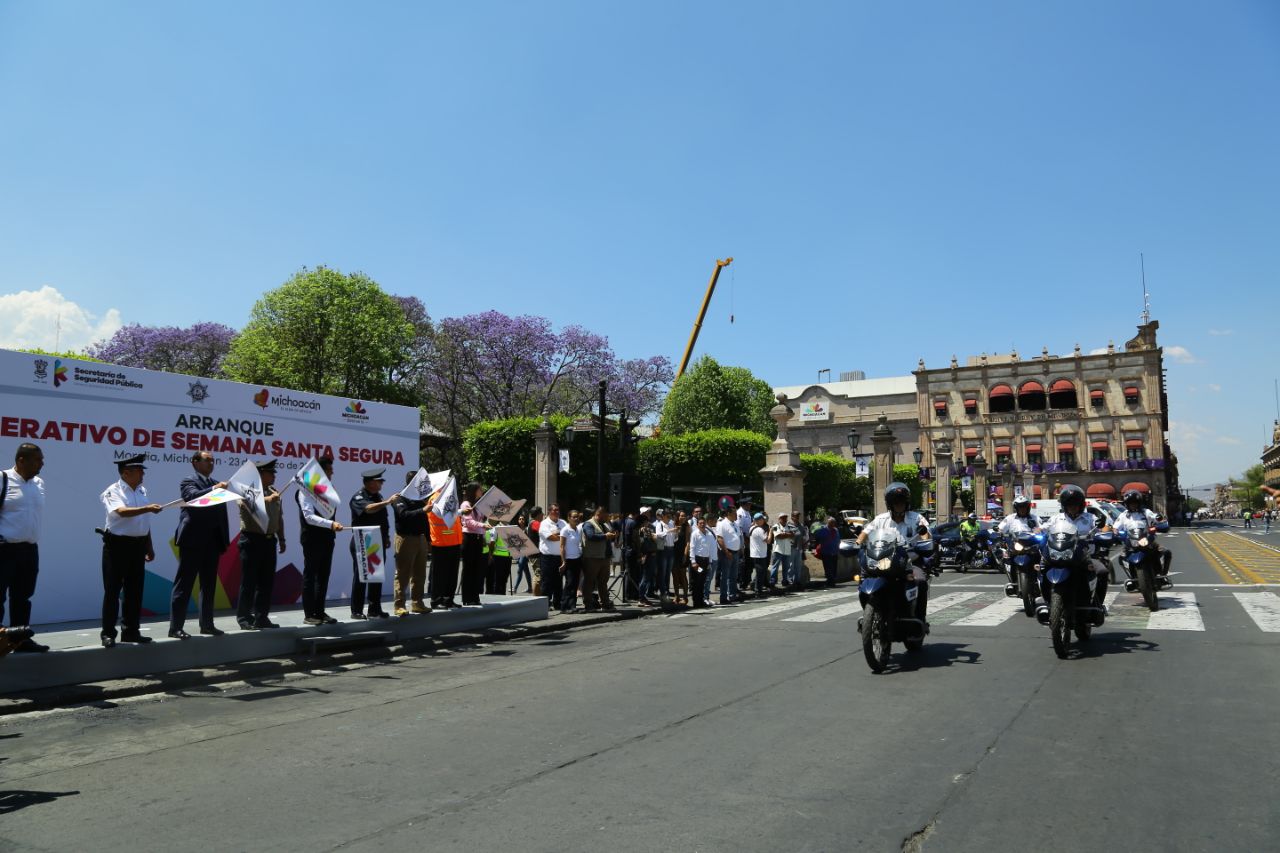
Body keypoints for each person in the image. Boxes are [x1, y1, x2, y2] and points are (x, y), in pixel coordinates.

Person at [100, 453, 165, 647]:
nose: (142, 475)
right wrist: (148, 509)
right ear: (126, 472)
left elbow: (144, 522)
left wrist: (149, 545)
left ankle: (131, 631)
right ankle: (108, 633)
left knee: (134, 592)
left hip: (138, 546)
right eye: (139, 471)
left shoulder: (142, 490)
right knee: (112, 591)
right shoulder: (113, 491)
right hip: (117, 546)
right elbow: (121, 512)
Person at [169, 450, 230, 639]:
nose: (211, 464)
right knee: (184, 584)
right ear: (195, 462)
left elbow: (221, 515)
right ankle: (176, 627)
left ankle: (207, 624)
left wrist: (223, 539)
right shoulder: (189, 481)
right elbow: (192, 498)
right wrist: (214, 489)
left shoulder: (216, 484)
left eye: (213, 461)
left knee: (209, 585)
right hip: (193, 540)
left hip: (212, 541)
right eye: (207, 460)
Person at [855, 482, 933, 623]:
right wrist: (857, 544)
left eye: (902, 502)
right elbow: (865, 533)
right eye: (896, 502)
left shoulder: (916, 518)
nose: (899, 505)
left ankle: (920, 618)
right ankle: (870, 611)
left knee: (920, 581)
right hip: (883, 561)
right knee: (863, 578)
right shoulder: (880, 519)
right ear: (890, 504)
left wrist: (925, 542)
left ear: (906, 503)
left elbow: (925, 534)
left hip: (910, 562)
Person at [1038, 484, 1112, 620]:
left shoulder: (1089, 518)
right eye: (1069, 504)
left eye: (1075, 504)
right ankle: (1047, 600)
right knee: (1042, 569)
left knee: (1102, 572)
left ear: (1081, 505)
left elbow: (1104, 528)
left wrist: (1105, 532)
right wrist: (1035, 533)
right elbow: (1042, 529)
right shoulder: (1056, 519)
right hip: (1060, 554)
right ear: (1064, 505)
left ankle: (1098, 606)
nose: (1072, 507)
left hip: (1084, 556)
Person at [0, 443, 47, 653]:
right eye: (37, 460)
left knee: (23, 597)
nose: (41, 463)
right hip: (4, 550)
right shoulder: (2, 479)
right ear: (21, 460)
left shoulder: (39, 483)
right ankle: (0, 642)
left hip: (29, 550)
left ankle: (20, 641)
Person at [236, 459, 286, 630]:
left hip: (269, 540)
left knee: (266, 582)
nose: (273, 476)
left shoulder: (274, 492)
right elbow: (247, 503)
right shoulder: (246, 489)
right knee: (249, 581)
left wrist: (282, 538)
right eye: (270, 473)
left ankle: (261, 617)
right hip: (251, 540)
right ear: (260, 474)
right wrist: (268, 499)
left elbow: (279, 518)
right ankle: (244, 618)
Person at [298, 454, 344, 625]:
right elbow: (309, 517)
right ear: (321, 472)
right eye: (329, 471)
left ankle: (320, 611)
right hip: (312, 538)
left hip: (327, 538)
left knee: (323, 576)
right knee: (311, 575)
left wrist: (330, 527)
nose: (332, 474)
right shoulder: (305, 490)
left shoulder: (328, 489)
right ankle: (309, 614)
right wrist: (330, 524)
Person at [348, 468, 398, 619]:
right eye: (378, 481)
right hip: (362, 541)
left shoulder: (378, 497)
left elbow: (383, 518)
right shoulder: (358, 497)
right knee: (361, 577)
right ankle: (356, 610)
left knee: (376, 576)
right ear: (370, 483)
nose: (381, 484)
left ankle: (374, 608)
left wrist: (387, 537)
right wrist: (388, 502)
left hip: (377, 541)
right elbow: (368, 509)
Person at [393, 470, 431, 616]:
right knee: (403, 574)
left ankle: (417, 603)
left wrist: (428, 539)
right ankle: (399, 606)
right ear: (412, 482)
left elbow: (424, 520)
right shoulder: (399, 497)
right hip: (405, 538)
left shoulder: (420, 498)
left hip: (420, 538)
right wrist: (422, 509)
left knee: (420, 574)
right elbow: (403, 515)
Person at [1112, 489, 1172, 577]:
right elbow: (1115, 527)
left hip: (1146, 540)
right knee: (1121, 557)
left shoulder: (1146, 512)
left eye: (1135, 502)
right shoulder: (1123, 515)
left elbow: (1157, 518)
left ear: (1139, 502)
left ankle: (1162, 573)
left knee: (1165, 552)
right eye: (1130, 503)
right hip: (1130, 541)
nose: (1133, 504)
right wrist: (1116, 533)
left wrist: (1161, 521)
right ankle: (1131, 576)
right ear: (1126, 504)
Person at [997, 494, 1041, 597]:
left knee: (1041, 560)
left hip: (1032, 546)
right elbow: (1001, 528)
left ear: (1028, 507)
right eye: (1020, 507)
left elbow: (1042, 528)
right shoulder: (1010, 518)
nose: (1022, 509)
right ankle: (1013, 584)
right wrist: (999, 532)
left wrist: (1041, 531)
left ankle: (1040, 582)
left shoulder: (1035, 518)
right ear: (1016, 508)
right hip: (1016, 545)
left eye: (1024, 506)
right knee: (1009, 561)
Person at [427, 487, 462, 610]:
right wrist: (461, 511)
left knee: (452, 574)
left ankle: (448, 600)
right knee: (440, 574)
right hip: (441, 542)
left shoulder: (449, 497)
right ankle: (436, 600)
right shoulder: (435, 498)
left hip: (454, 540)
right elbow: (440, 513)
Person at [579, 506, 616, 612]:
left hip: (604, 557)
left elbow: (607, 537)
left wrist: (611, 535)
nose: (607, 518)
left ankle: (605, 603)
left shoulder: (603, 524)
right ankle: (588, 604)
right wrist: (605, 536)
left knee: (603, 582)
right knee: (589, 582)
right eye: (606, 516)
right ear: (599, 514)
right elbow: (590, 536)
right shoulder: (588, 524)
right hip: (592, 558)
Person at [458, 482, 487, 606]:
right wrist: (482, 525)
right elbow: (469, 522)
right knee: (468, 568)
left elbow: (482, 520)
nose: (482, 491)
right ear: (474, 490)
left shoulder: (479, 505)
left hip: (478, 538)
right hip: (469, 538)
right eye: (480, 489)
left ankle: (475, 596)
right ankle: (467, 597)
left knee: (477, 568)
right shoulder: (466, 504)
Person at [537, 505, 566, 611]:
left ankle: (558, 603)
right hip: (547, 557)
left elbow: (567, 535)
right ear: (549, 511)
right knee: (547, 581)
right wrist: (562, 536)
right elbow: (551, 538)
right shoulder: (544, 524)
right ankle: (545, 604)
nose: (557, 511)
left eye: (558, 510)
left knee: (558, 582)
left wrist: (558, 535)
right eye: (554, 510)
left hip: (560, 557)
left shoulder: (563, 523)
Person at [687, 515, 718, 608]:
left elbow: (712, 548)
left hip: (706, 561)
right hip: (698, 561)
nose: (702, 524)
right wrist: (693, 562)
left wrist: (711, 560)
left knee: (702, 581)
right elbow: (692, 548)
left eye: (703, 523)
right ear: (697, 525)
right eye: (700, 523)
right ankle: (696, 602)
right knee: (696, 582)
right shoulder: (695, 534)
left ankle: (701, 601)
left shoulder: (709, 534)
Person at [714, 505, 742, 604]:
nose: (736, 515)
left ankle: (732, 595)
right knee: (725, 576)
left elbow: (738, 537)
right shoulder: (722, 524)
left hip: (735, 552)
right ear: (729, 513)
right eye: (735, 513)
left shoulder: (736, 524)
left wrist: (739, 549)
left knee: (733, 576)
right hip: (727, 553)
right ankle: (723, 597)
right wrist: (726, 551)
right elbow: (720, 538)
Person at [559, 509, 584, 613]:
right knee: (569, 583)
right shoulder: (565, 530)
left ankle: (572, 605)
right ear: (569, 518)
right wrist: (563, 561)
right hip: (568, 559)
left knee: (575, 583)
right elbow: (562, 547)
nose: (575, 518)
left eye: (577, 516)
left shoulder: (578, 529)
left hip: (577, 559)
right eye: (573, 517)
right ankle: (564, 607)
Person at [485, 515, 511, 596]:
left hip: (508, 557)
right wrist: (491, 555)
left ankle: (502, 594)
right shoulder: (496, 528)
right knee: (498, 579)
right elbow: (492, 543)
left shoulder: (511, 528)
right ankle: (497, 596)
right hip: (498, 557)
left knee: (504, 579)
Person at [813, 516, 842, 587]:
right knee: (828, 567)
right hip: (826, 552)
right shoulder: (822, 530)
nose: (833, 524)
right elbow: (815, 536)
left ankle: (832, 581)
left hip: (834, 552)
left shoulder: (836, 530)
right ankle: (830, 581)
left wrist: (838, 548)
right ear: (828, 523)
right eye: (831, 522)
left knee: (834, 567)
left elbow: (838, 540)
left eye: (833, 522)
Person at [769, 512, 795, 589]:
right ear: (779, 519)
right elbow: (779, 536)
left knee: (786, 567)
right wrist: (788, 534)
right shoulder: (775, 526)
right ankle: (773, 581)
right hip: (778, 550)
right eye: (782, 518)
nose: (784, 519)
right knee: (775, 567)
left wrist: (785, 534)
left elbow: (793, 535)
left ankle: (785, 581)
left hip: (787, 550)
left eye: (785, 518)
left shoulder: (789, 526)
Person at [748, 512, 771, 595]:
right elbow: (768, 541)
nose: (764, 521)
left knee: (760, 573)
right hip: (759, 554)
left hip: (757, 554)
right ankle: (758, 590)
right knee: (760, 573)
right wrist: (770, 531)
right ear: (759, 520)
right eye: (762, 519)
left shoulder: (752, 528)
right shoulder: (759, 530)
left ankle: (756, 587)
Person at [671, 510, 690, 604]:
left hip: (682, 553)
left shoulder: (686, 527)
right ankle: (676, 596)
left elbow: (687, 542)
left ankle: (685, 597)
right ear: (677, 517)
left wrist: (685, 555)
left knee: (683, 575)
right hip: (673, 553)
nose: (683, 517)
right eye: (681, 516)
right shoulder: (673, 525)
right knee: (675, 575)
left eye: (684, 516)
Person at [511, 513, 533, 593]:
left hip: (526, 552)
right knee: (525, 570)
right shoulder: (517, 530)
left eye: (523, 519)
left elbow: (529, 541)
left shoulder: (527, 529)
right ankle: (530, 588)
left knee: (519, 569)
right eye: (520, 519)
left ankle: (515, 588)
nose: (521, 520)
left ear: (525, 520)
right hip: (519, 552)